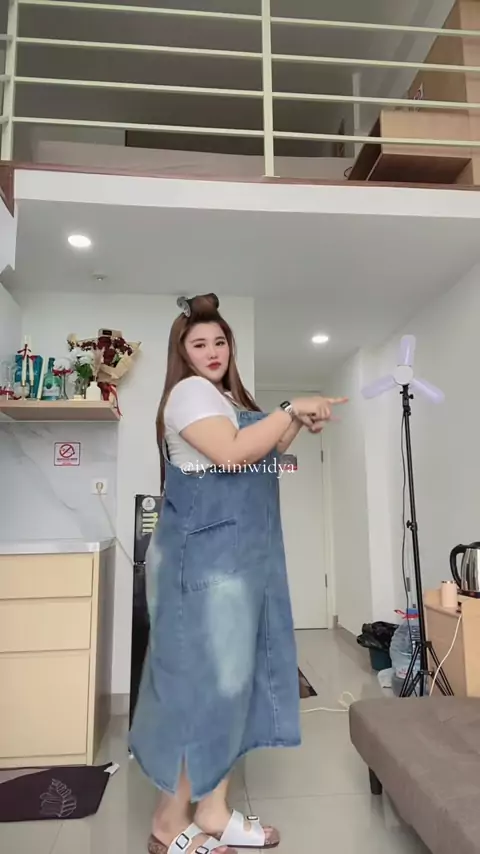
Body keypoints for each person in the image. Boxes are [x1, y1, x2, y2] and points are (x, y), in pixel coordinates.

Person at [129, 294, 347, 854]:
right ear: (182, 353)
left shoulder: (227, 398)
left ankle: (212, 809)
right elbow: (231, 454)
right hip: (204, 565)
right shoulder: (188, 393)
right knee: (203, 692)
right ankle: (167, 822)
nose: (213, 352)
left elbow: (263, 451)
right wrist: (290, 405)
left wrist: (295, 421)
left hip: (240, 563)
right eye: (199, 343)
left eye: (220, 342)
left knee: (233, 689)